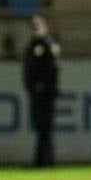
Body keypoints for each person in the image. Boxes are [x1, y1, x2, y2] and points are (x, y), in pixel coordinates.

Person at [23, 15, 60, 167]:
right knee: (41, 128)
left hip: (46, 94)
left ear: (44, 28)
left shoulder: (48, 45)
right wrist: (30, 86)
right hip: (35, 93)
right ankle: (44, 160)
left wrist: (43, 85)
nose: (35, 30)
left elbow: (53, 68)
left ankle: (44, 160)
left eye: (38, 27)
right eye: (33, 28)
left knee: (45, 127)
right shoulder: (32, 45)